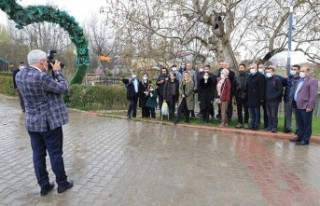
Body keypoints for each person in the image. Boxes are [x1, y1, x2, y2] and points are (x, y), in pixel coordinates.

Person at [15, 49, 73, 196]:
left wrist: (48, 68)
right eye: (46, 61)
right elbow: (64, 88)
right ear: (42, 62)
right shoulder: (42, 78)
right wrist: (58, 72)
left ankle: (44, 186)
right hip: (49, 124)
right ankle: (62, 184)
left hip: (32, 124)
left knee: (38, 155)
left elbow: (42, 84)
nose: (47, 63)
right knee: (55, 154)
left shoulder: (19, 75)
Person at [290, 66, 318, 145]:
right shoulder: (299, 80)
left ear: (308, 72)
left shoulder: (312, 81)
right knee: (299, 123)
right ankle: (299, 137)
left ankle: (305, 140)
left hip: (306, 106)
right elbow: (297, 92)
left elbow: (313, 95)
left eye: (303, 71)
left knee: (306, 124)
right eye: (301, 71)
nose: (301, 73)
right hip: (297, 105)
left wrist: (310, 106)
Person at [264, 65, 283, 133]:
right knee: (268, 114)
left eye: (270, 72)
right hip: (267, 100)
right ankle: (269, 126)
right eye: (267, 72)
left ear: (273, 72)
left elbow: (280, 90)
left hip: (274, 101)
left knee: (273, 114)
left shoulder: (276, 80)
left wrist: (275, 96)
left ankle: (274, 127)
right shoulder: (266, 80)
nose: (268, 73)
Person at [246, 63, 265, 130]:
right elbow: (247, 86)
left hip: (257, 97)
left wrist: (261, 98)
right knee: (251, 111)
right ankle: (252, 123)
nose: (251, 69)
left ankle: (256, 124)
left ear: (256, 68)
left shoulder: (260, 76)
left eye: (253, 68)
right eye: (250, 68)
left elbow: (262, 88)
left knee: (256, 111)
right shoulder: (249, 76)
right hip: (250, 96)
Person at [283, 64, 300, 133]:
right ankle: (288, 128)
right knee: (288, 114)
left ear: (298, 70)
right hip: (287, 99)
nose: (293, 70)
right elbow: (283, 84)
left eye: (295, 69)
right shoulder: (289, 78)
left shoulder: (300, 79)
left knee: (297, 116)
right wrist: (284, 79)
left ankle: (298, 129)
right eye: (292, 69)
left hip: (295, 101)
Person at [234, 64, 249, 129]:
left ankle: (246, 122)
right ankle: (240, 122)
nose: (241, 69)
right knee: (239, 110)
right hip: (238, 95)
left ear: (245, 68)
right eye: (240, 68)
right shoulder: (236, 76)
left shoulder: (248, 76)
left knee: (246, 110)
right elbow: (234, 86)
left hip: (246, 95)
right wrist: (235, 93)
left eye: (242, 68)